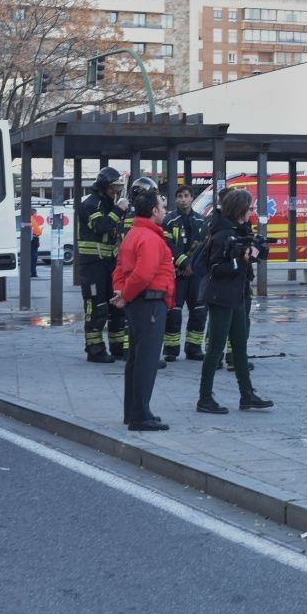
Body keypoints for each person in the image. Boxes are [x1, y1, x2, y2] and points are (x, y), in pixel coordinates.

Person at [197, 189, 274, 414]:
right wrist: (242, 260)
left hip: (236, 295)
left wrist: (252, 253)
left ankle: (247, 394)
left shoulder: (238, 231)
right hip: (221, 297)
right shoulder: (223, 234)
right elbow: (216, 268)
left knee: (240, 346)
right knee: (215, 348)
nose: (252, 211)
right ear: (240, 209)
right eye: (250, 207)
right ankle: (204, 398)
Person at [111, 178, 172, 432]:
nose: (165, 211)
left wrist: (121, 292)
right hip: (150, 304)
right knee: (146, 361)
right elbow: (143, 274)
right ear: (155, 210)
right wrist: (125, 294)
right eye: (163, 207)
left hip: (139, 304)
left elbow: (120, 268)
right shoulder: (149, 237)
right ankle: (141, 416)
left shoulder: (133, 233)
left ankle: (133, 411)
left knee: (136, 360)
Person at [76, 167, 128, 363]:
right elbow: (101, 226)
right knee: (96, 307)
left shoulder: (108, 204)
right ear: (104, 186)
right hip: (93, 265)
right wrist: (119, 210)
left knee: (116, 306)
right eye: (113, 187)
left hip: (109, 263)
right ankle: (95, 350)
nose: (116, 191)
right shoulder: (90, 205)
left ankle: (117, 347)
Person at [162, 184, 209, 362]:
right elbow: (167, 246)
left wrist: (193, 266)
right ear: (176, 199)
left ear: (192, 198)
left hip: (196, 274)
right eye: (180, 196)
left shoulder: (201, 221)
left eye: (186, 196)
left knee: (198, 311)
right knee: (174, 312)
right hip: (177, 273)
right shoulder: (169, 220)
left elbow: (204, 247)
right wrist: (183, 262)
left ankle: (194, 348)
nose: (183, 199)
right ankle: (170, 350)